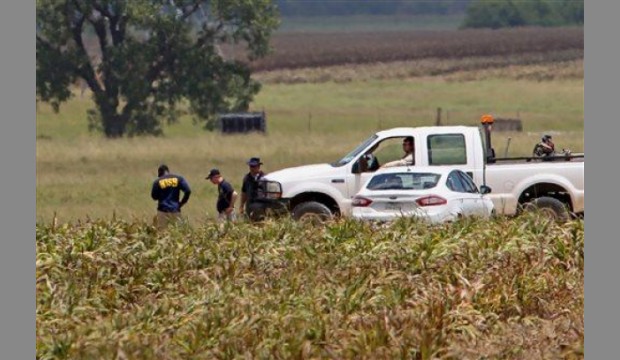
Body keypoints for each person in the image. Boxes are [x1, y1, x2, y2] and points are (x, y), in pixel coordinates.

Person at [151, 164, 191, 230]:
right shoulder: (178, 179)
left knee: (161, 233)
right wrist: (181, 203)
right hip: (175, 210)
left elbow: (154, 197)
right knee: (178, 233)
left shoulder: (157, 181)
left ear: (160, 173)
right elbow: (188, 191)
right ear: (167, 171)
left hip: (162, 211)